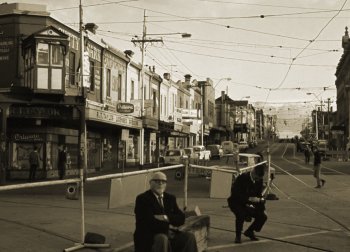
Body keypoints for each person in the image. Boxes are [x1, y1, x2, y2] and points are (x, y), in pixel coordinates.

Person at [134, 171, 198, 252]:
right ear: (150, 183)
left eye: (163, 181)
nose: (160, 183)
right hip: (149, 236)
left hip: (169, 233)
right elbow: (147, 222)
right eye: (157, 181)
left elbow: (181, 218)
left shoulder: (170, 198)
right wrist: (168, 227)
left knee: (189, 237)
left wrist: (166, 217)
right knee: (162, 238)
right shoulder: (142, 199)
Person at [227, 164, 268, 244]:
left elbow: (259, 195)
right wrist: (249, 198)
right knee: (241, 214)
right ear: (253, 173)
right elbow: (235, 194)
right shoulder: (242, 178)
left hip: (249, 202)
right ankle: (238, 236)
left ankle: (249, 231)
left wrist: (262, 209)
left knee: (263, 216)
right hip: (236, 202)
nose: (257, 180)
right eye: (256, 178)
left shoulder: (259, 180)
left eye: (259, 179)